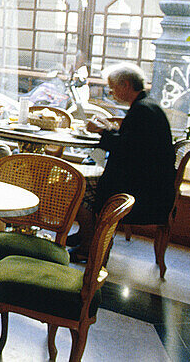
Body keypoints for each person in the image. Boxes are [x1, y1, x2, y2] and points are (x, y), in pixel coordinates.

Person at [68, 63, 175, 263]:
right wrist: (110, 129)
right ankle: (87, 236)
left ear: (126, 85)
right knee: (85, 183)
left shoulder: (142, 111)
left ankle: (89, 245)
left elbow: (125, 149)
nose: (111, 92)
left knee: (79, 187)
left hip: (143, 193)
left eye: (113, 87)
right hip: (153, 185)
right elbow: (133, 144)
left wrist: (102, 131)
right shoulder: (148, 106)